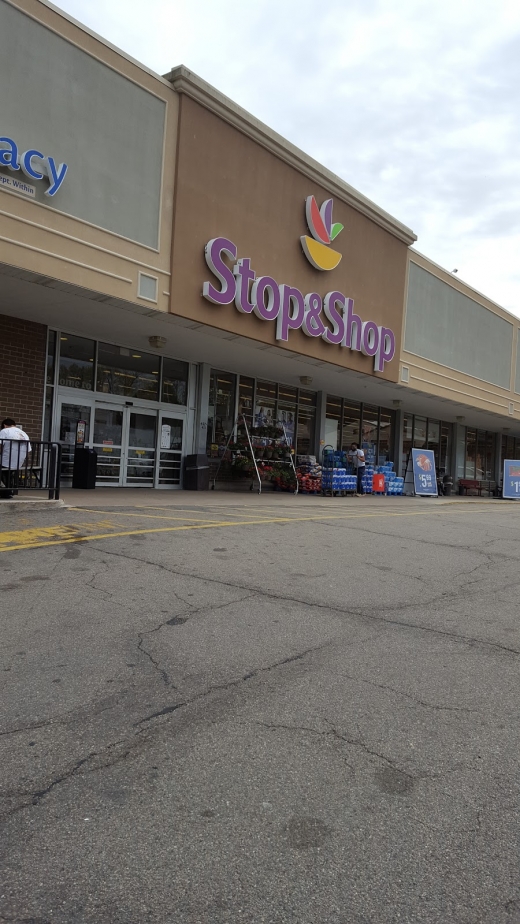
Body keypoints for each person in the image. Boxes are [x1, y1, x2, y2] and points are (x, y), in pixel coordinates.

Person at [0, 418, 31, 499]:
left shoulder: (4, 431)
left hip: (6, 458)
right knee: (8, 475)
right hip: (19, 460)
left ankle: (6, 492)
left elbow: (0, 445)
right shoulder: (24, 433)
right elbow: (28, 450)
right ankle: (8, 492)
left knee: (4, 475)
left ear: (4, 425)